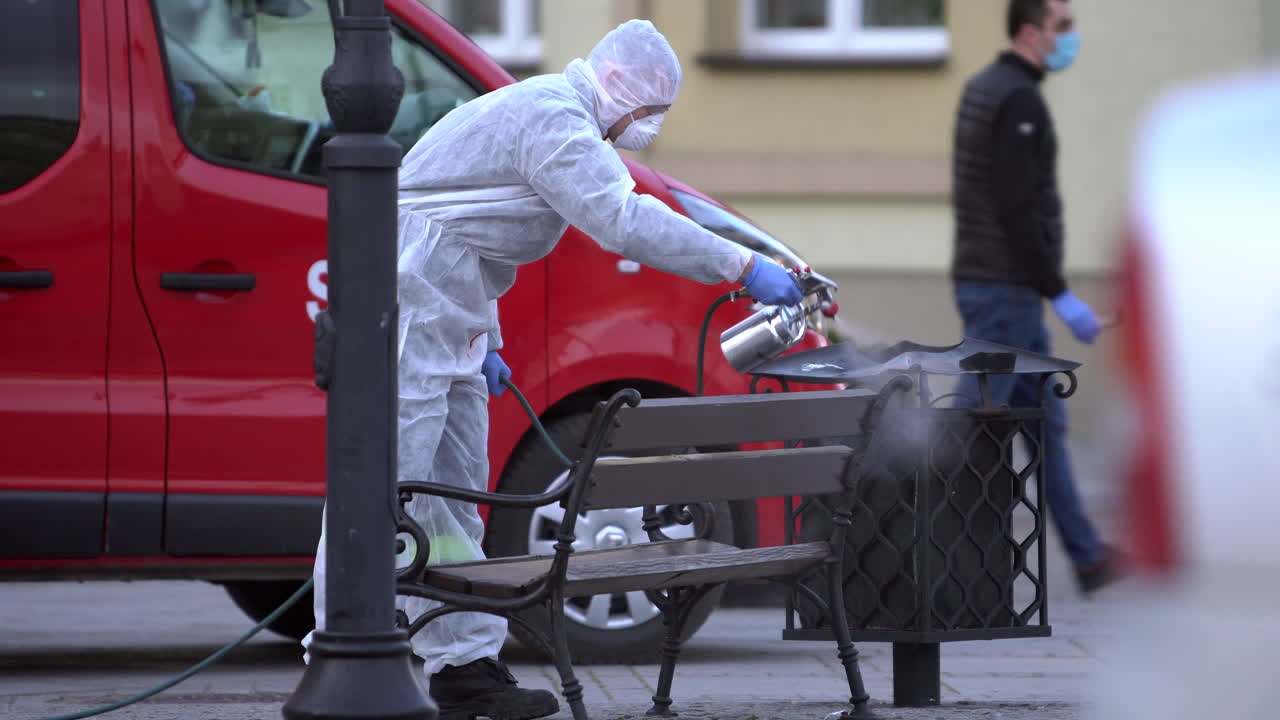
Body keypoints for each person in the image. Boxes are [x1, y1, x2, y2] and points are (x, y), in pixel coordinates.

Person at [302, 19, 803, 720]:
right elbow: (621, 219)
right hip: (409, 301)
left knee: (451, 499)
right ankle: (336, 656)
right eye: (651, 111)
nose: (648, 127)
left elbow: (474, 226)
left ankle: (464, 668)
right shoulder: (553, 119)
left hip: (450, 309)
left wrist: (489, 334)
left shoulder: (552, 116)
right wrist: (742, 264)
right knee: (384, 490)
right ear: (625, 89)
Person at [950, 0, 1119, 594]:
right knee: (970, 426)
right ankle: (933, 549)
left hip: (1000, 286)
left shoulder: (988, 87)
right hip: (1005, 292)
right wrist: (1061, 294)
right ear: (1031, 33)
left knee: (1044, 421)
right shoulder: (1016, 99)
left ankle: (1089, 555)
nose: (1071, 37)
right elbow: (1019, 208)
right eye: (1063, 26)